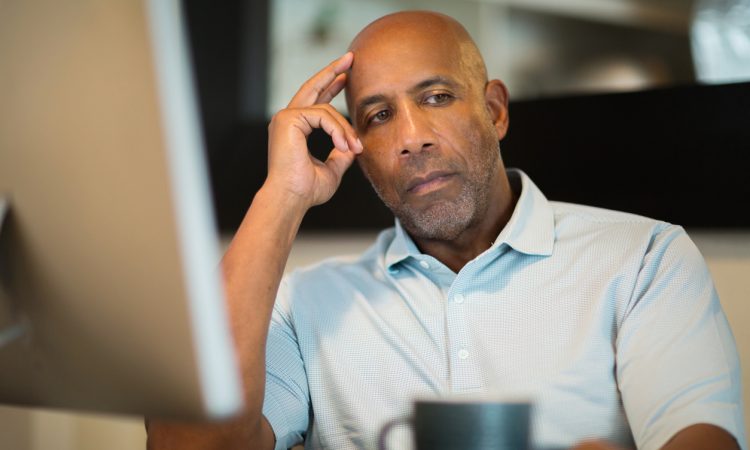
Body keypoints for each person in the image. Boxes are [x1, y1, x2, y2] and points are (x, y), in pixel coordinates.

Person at [147, 11, 745, 450]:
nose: (411, 137)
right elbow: (187, 440)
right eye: (378, 116)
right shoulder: (306, 305)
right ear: (354, 146)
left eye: (435, 96)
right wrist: (282, 195)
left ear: (494, 110)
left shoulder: (643, 258)